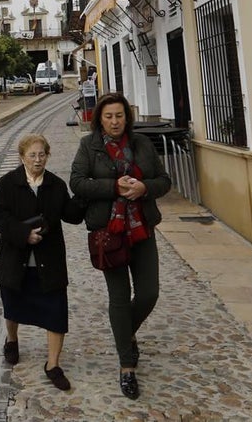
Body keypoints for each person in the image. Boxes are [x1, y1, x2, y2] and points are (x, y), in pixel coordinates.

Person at [70, 93, 172, 400]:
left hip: (141, 228)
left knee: (149, 293)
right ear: (99, 119)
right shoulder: (89, 146)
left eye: (119, 116)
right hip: (109, 232)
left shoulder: (141, 144)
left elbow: (164, 180)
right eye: (108, 116)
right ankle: (127, 366)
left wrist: (144, 188)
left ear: (126, 117)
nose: (114, 122)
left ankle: (125, 334)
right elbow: (77, 182)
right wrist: (113, 187)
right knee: (118, 297)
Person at [0, 133, 86, 391]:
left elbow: (70, 215)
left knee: (56, 312)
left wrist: (85, 194)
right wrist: (23, 235)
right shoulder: (7, 184)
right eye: (32, 155)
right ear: (22, 157)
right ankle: (12, 340)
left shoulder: (55, 184)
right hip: (16, 260)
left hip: (49, 261)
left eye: (42, 154)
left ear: (48, 155)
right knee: (13, 307)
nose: (37, 159)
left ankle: (53, 365)